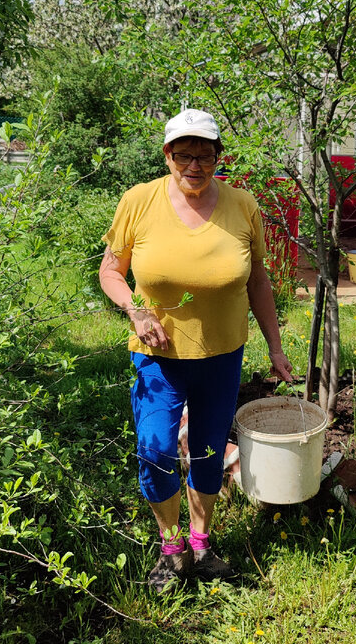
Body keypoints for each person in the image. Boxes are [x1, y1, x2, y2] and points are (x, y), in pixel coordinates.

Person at [98, 108, 295, 591]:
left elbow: (259, 281)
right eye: (183, 154)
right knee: (156, 449)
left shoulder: (242, 205)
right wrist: (136, 311)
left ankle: (201, 545)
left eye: (204, 155)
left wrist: (274, 346)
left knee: (207, 452)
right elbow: (110, 272)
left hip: (222, 356)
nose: (194, 165)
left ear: (217, 158)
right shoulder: (138, 202)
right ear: (167, 155)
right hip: (157, 359)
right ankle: (171, 549)